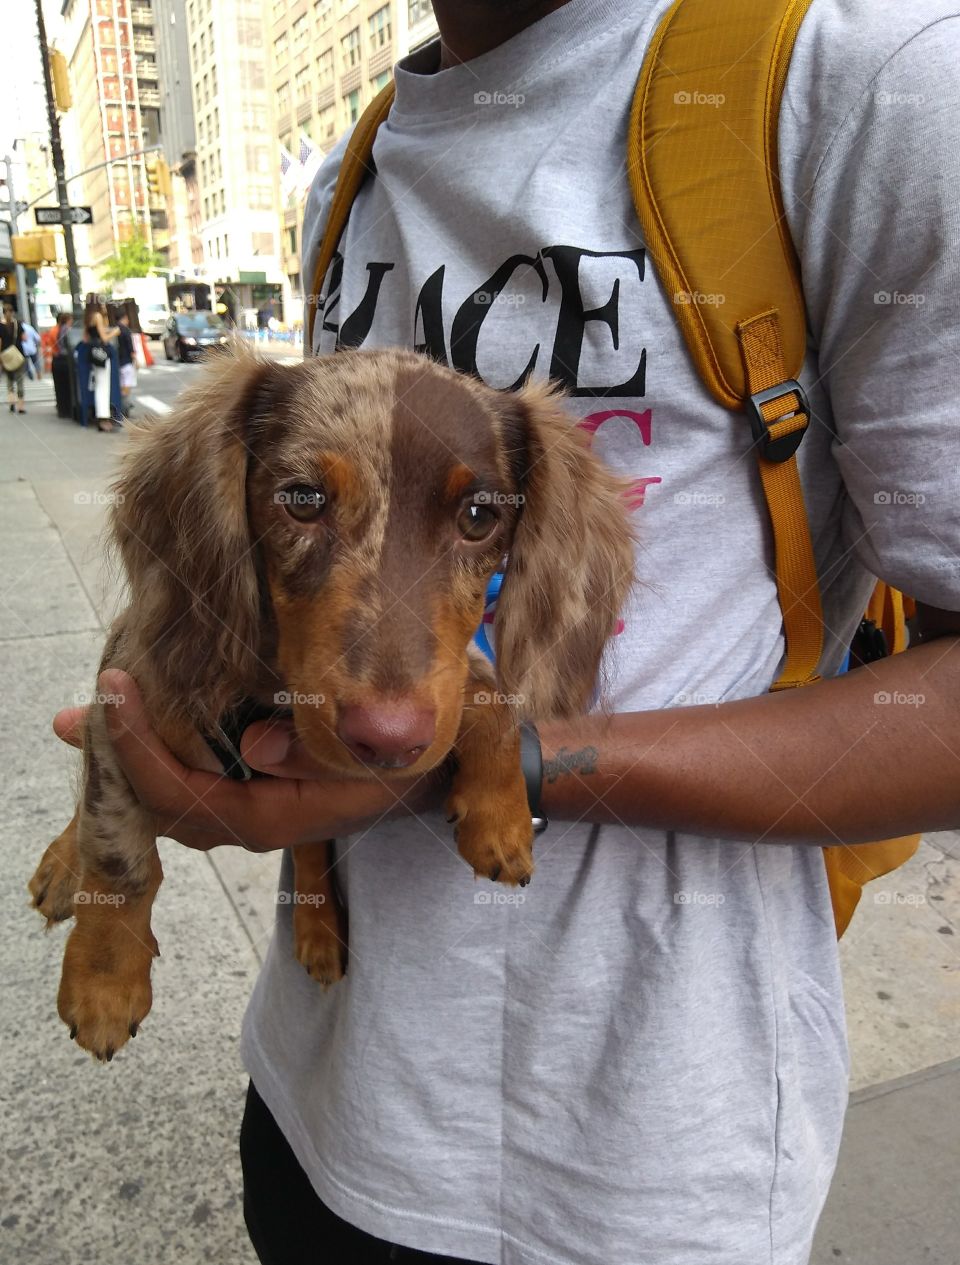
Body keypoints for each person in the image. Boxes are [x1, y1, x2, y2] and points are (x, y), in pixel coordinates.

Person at [53, 2, 960, 1263]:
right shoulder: (353, 169)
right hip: (321, 1093)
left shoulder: (876, 83)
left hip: (642, 1155)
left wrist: (513, 762)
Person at [82, 296, 120, 432]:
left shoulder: (88, 317)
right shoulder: (98, 316)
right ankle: (103, 420)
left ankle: (102, 418)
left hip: (92, 354)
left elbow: (85, 338)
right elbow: (104, 338)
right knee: (103, 387)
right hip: (102, 354)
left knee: (99, 385)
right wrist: (114, 332)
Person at [0, 304, 27, 414]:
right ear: (13, 313)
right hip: (18, 355)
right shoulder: (18, 324)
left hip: (5, 356)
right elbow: (25, 338)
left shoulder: (0, 326)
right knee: (20, 380)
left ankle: (12, 403)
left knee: (9, 380)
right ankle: (20, 407)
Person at [112, 305, 137, 418]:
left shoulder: (113, 329)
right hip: (127, 361)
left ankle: (122, 406)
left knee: (121, 385)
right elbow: (130, 348)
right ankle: (124, 407)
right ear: (125, 318)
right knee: (127, 386)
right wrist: (136, 360)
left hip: (118, 362)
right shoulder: (126, 331)